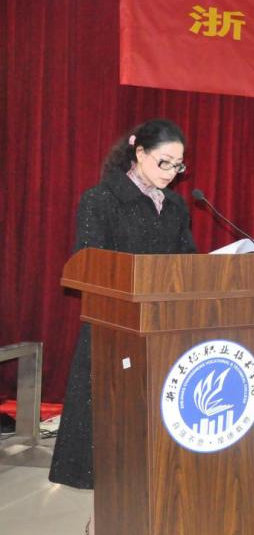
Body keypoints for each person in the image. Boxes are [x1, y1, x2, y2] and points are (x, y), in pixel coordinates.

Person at [49, 119, 196, 492]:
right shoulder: (100, 200)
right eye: (164, 162)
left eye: (178, 165)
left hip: (163, 324)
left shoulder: (176, 206)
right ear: (140, 153)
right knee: (108, 416)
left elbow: (188, 262)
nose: (172, 173)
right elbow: (89, 263)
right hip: (112, 324)